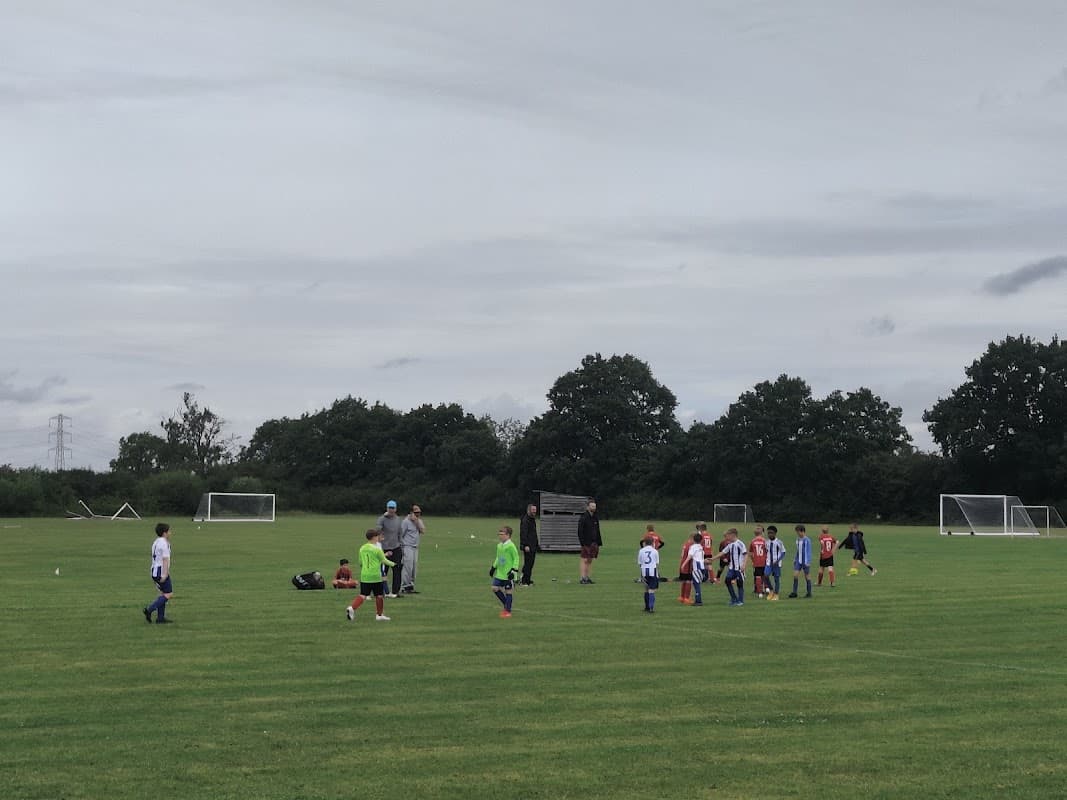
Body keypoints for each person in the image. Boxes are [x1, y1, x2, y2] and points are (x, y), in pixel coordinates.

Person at [346, 529, 396, 622]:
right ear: (373, 537)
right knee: (379, 595)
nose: (378, 538)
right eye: (377, 536)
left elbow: (360, 562)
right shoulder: (377, 549)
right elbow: (384, 560)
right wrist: (394, 564)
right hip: (375, 576)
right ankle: (379, 615)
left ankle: (352, 608)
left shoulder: (362, 548)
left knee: (363, 595)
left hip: (365, 575)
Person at [142, 522, 174, 624]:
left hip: (154, 570)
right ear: (164, 533)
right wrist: (165, 574)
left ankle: (160, 618)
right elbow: (165, 559)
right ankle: (149, 610)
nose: (170, 533)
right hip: (160, 571)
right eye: (169, 531)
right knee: (168, 594)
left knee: (163, 594)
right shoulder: (164, 543)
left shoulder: (156, 542)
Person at [708, 527, 748, 606]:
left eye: (727, 536)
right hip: (732, 568)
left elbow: (746, 554)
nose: (726, 537)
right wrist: (712, 559)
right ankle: (734, 598)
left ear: (733, 535)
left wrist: (744, 565)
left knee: (740, 584)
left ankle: (740, 601)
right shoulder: (730, 544)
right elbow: (722, 552)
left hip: (739, 568)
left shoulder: (740, 543)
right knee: (727, 581)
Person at [490, 525, 520, 618]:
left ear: (508, 535)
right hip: (500, 573)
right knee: (494, 588)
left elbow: (516, 558)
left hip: (508, 574)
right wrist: (493, 567)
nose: (500, 536)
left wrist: (514, 570)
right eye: (499, 534)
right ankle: (506, 605)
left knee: (508, 591)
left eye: (502, 534)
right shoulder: (499, 545)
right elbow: (498, 558)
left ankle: (507, 612)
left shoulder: (511, 546)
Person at [376, 499, 404, 597]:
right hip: (384, 548)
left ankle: (395, 591)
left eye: (393, 508)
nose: (391, 510)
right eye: (389, 508)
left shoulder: (398, 519)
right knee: (383, 570)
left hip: (396, 547)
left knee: (397, 569)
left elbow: (400, 533)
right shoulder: (382, 519)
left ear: (396, 509)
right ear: (387, 508)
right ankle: (381, 590)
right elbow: (378, 530)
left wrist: (401, 545)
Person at [400, 504, 425, 593]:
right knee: (408, 567)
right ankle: (404, 587)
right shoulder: (405, 521)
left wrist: (416, 522)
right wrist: (401, 547)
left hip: (415, 547)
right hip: (407, 546)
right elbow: (401, 534)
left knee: (414, 568)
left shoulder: (419, 521)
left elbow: (423, 531)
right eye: (416, 512)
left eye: (419, 512)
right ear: (411, 512)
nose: (418, 514)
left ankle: (411, 586)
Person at [576, 499, 602, 585]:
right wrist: (582, 543)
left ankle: (587, 577)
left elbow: (597, 530)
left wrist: (598, 542)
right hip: (586, 543)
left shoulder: (595, 517)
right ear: (588, 507)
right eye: (592, 506)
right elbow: (580, 531)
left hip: (594, 543)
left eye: (594, 506)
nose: (593, 508)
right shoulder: (583, 517)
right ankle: (582, 578)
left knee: (590, 560)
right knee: (584, 560)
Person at [681, 532, 707, 606]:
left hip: (696, 568)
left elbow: (689, 557)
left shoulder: (693, 547)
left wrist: (683, 564)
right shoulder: (701, 547)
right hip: (702, 568)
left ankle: (698, 601)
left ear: (693, 539)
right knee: (697, 584)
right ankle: (698, 600)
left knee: (696, 585)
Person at [788, 524, 813, 598]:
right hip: (798, 561)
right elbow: (798, 551)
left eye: (798, 532)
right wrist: (795, 559)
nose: (797, 533)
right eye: (797, 532)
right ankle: (794, 592)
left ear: (802, 531)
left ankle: (809, 593)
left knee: (807, 576)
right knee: (795, 575)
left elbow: (809, 551)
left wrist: (808, 561)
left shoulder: (807, 540)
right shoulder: (798, 540)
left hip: (805, 561)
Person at [637, 536, 660, 613]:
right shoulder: (655, 551)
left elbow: (640, 563)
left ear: (644, 543)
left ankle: (646, 607)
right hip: (652, 571)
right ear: (653, 543)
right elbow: (657, 563)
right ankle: (651, 608)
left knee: (646, 589)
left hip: (644, 572)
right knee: (651, 590)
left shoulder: (641, 551)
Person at [519, 504, 539, 586]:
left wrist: (537, 544)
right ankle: (524, 581)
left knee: (530, 563)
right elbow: (523, 533)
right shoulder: (525, 520)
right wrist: (525, 545)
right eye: (533, 510)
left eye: (535, 510)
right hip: (528, 546)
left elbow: (533, 533)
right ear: (528, 510)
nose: (534, 511)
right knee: (527, 563)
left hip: (533, 545)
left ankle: (528, 580)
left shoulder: (532, 519)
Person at [764, 526, 786, 600]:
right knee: (766, 575)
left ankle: (776, 594)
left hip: (777, 564)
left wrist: (778, 561)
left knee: (776, 579)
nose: (770, 534)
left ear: (775, 533)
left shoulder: (779, 542)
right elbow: (766, 551)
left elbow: (783, 552)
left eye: (771, 533)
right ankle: (771, 590)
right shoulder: (766, 542)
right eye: (768, 533)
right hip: (768, 563)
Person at [748, 525, 768, 598]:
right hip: (765, 561)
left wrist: (753, 561)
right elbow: (768, 551)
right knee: (765, 575)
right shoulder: (765, 541)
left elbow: (750, 553)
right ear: (762, 533)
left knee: (758, 577)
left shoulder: (753, 541)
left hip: (757, 562)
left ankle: (759, 593)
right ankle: (766, 588)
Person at [676, 534, 694, 604]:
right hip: (688, 565)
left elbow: (681, 555)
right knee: (688, 581)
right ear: (692, 538)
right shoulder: (691, 546)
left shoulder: (685, 544)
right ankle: (687, 598)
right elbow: (691, 556)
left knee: (683, 581)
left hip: (682, 564)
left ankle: (682, 597)